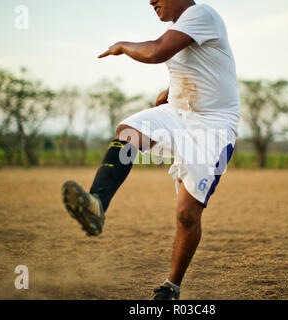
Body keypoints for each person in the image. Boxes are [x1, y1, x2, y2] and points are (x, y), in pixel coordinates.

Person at [61, 0, 240, 300]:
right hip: (178, 113)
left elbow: (157, 51)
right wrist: (171, 91)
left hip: (213, 127)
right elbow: (205, 67)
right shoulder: (184, 27)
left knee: (187, 214)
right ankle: (96, 205)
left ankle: (171, 287)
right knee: (129, 133)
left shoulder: (200, 14)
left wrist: (121, 46)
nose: (151, 1)